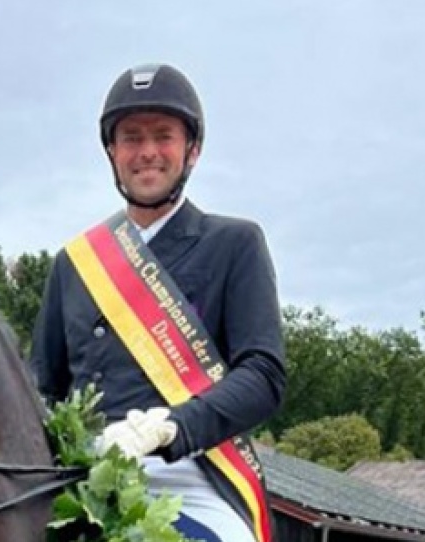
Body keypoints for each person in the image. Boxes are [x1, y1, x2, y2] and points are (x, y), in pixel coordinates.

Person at [29, 63, 286, 542]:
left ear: (192, 150)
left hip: (194, 474)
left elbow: (262, 375)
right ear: (112, 151)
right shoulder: (75, 263)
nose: (147, 151)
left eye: (163, 135)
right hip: (85, 478)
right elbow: (41, 389)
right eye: (131, 137)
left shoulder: (235, 243)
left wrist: (171, 427)